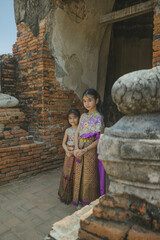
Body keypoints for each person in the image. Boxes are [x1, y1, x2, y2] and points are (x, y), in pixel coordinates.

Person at [73, 88, 105, 208]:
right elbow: (77, 133)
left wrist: (84, 150)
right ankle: (79, 200)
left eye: (89, 100)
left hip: (90, 151)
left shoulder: (99, 117)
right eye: (84, 101)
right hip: (79, 149)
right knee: (79, 176)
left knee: (89, 177)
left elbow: (99, 139)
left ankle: (89, 202)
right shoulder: (82, 116)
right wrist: (76, 148)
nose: (86, 103)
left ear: (96, 100)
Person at [58, 109, 80, 204]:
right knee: (67, 174)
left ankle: (75, 196)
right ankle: (65, 195)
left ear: (79, 118)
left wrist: (76, 151)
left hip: (77, 154)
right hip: (68, 154)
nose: (73, 120)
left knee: (75, 174)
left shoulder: (80, 129)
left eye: (75, 118)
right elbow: (63, 143)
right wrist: (67, 151)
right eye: (70, 118)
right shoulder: (68, 130)